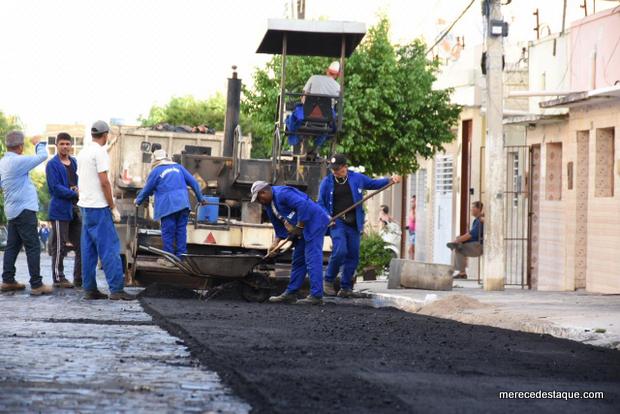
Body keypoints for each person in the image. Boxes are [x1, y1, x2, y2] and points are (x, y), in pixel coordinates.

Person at [318, 154, 401, 298]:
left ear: (345, 167)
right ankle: (328, 280)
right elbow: (321, 203)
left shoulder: (357, 178)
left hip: (354, 224)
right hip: (337, 223)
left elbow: (374, 184)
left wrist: (390, 180)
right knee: (340, 250)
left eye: (337, 169)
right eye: (333, 169)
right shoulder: (326, 183)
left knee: (353, 256)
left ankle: (346, 287)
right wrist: (327, 217)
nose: (335, 172)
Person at [77, 120, 134, 300]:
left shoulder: (83, 152)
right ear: (105, 134)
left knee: (88, 250)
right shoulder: (100, 152)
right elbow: (104, 182)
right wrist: (113, 206)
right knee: (109, 248)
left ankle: (89, 289)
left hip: (85, 207)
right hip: (99, 208)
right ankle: (117, 290)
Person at [251, 181, 330, 305]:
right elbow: (278, 225)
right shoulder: (268, 204)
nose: (258, 202)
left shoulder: (283, 193)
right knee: (298, 260)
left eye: (259, 198)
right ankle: (291, 293)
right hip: (301, 228)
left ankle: (316, 296)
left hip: (314, 223)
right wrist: (275, 243)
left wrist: (299, 227)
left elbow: (303, 205)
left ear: (264, 192)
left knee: (312, 259)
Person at [0, 131, 53, 295]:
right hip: (24, 210)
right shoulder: (18, 161)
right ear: (21, 147)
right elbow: (42, 156)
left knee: (12, 246)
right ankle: (37, 284)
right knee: (33, 246)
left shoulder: (2, 162)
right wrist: (39, 143)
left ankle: (8, 280)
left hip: (12, 210)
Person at [135, 149, 207, 266]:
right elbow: (194, 182)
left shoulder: (156, 171)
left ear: (155, 159)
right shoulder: (178, 167)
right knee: (181, 231)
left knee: (168, 232)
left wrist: (138, 201)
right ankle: (180, 258)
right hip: (183, 204)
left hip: (168, 206)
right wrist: (200, 198)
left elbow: (147, 189)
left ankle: (169, 259)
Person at [46, 132, 81, 288]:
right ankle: (59, 278)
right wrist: (74, 192)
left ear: (71, 145)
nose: (65, 146)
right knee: (59, 246)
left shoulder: (74, 162)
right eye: (62, 144)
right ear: (57, 146)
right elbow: (54, 188)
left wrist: (79, 190)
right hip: (60, 210)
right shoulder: (52, 164)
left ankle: (79, 278)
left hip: (75, 208)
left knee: (81, 244)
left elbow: (79, 181)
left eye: (68, 144)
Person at [286, 61, 341, 153]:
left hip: (307, 114)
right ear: (337, 75)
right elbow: (336, 104)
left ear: (327, 71)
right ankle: (316, 146)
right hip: (325, 118)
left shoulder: (314, 78)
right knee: (330, 127)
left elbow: (304, 96)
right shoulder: (338, 86)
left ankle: (295, 139)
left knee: (291, 117)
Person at [447, 201, 484, 279]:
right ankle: (459, 271)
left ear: (478, 209)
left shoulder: (479, 221)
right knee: (458, 246)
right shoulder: (477, 220)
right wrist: (459, 239)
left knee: (458, 249)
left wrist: (457, 240)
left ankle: (461, 273)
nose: (471, 209)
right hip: (475, 244)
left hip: (478, 246)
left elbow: (470, 235)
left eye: (472, 207)